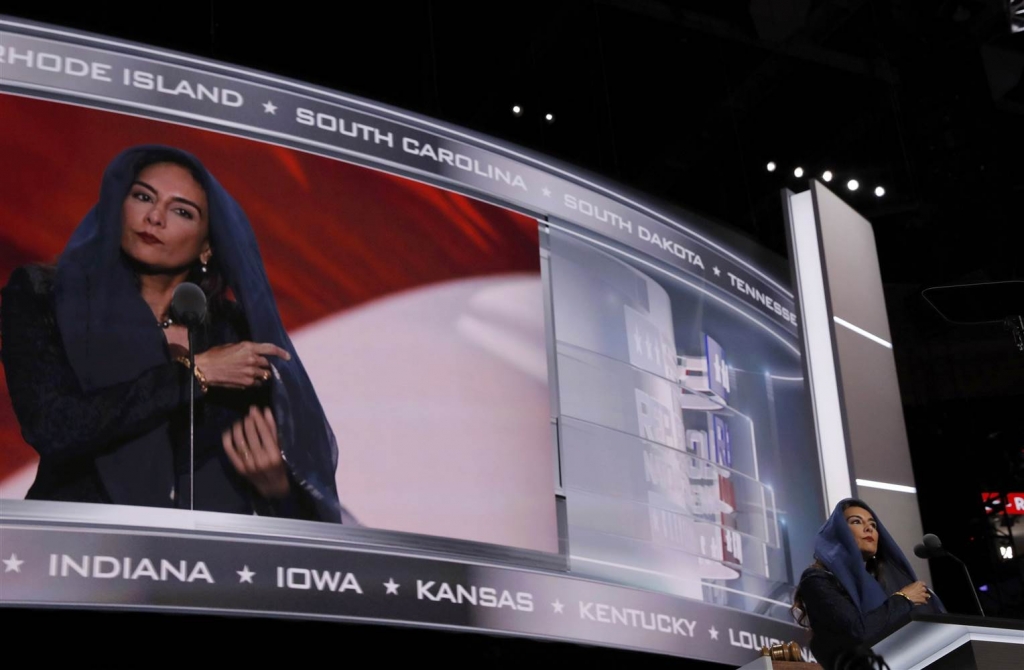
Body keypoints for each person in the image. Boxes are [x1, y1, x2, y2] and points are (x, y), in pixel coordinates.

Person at [0, 145, 342, 523]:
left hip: (205, 559)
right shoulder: (46, 298)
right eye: (143, 196)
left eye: (182, 211)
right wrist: (195, 375)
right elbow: (54, 427)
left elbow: (290, 479)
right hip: (79, 548)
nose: (155, 217)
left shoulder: (233, 332)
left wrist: (277, 486)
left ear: (207, 247)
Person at [792, 498, 945, 669]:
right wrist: (904, 599)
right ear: (839, 533)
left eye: (873, 524)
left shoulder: (881, 583)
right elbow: (858, 631)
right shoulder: (817, 579)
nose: (869, 528)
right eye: (856, 521)